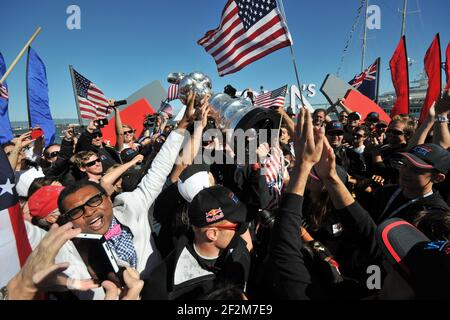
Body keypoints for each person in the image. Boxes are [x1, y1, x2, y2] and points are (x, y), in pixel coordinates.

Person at [56, 93, 202, 278]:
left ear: (108, 198)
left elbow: (158, 170)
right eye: (76, 211)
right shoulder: (71, 253)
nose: (89, 212)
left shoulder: (131, 206)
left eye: (93, 201)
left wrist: (182, 125)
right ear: (67, 219)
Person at [141, 185, 251, 300]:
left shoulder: (238, 250)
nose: (243, 228)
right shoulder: (162, 286)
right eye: (237, 225)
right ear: (212, 234)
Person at [370, 143, 450, 224]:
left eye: (416, 170)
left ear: (438, 178)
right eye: (405, 164)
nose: (405, 172)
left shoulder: (436, 214)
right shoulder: (385, 191)